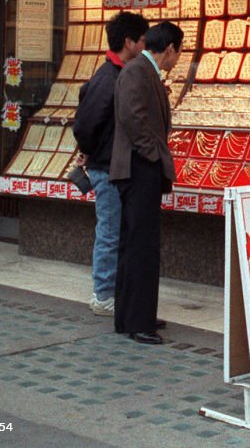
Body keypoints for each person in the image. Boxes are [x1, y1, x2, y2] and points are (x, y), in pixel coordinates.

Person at [110, 20, 183, 344]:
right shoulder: (138, 70)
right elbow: (133, 117)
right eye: (179, 52)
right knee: (142, 246)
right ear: (170, 49)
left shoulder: (141, 70)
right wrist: (153, 155)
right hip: (139, 169)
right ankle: (138, 322)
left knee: (135, 244)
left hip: (140, 167)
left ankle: (131, 315)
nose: (178, 58)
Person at [71, 10, 148, 317]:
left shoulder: (121, 74)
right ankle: (103, 294)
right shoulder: (108, 78)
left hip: (116, 167)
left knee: (117, 231)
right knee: (110, 232)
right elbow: (85, 125)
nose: (144, 46)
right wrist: (94, 152)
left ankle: (113, 290)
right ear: (128, 42)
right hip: (106, 169)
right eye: (142, 40)